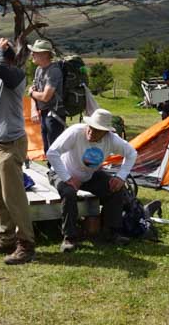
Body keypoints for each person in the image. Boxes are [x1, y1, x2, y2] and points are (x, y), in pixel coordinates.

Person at [46, 108, 137, 252]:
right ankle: (69, 237)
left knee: (116, 188)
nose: (91, 132)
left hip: (88, 175)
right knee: (69, 192)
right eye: (91, 127)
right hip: (61, 172)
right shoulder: (75, 132)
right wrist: (67, 178)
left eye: (97, 130)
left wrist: (121, 176)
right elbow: (52, 153)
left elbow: (132, 153)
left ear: (106, 132)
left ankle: (112, 232)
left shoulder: (112, 140)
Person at [0, 38, 35, 265]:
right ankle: (7, 238)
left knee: (13, 198)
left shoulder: (16, 75)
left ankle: (26, 244)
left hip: (9, 145)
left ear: (5, 58)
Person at [28, 39, 65, 153]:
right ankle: (51, 168)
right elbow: (34, 91)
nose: (32, 54)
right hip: (44, 113)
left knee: (54, 146)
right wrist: (34, 109)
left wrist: (31, 93)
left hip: (55, 114)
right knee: (46, 145)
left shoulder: (54, 71)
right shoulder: (39, 69)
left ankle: (56, 170)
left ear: (45, 54)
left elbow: (45, 97)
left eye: (35, 52)